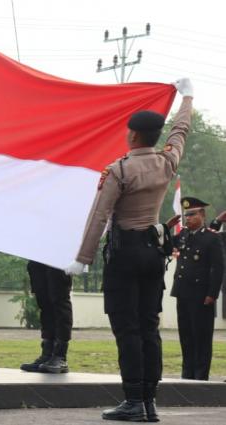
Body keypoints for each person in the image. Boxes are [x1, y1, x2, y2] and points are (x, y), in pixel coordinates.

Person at [65, 78, 193, 423]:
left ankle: (133, 399)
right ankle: (149, 402)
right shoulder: (167, 163)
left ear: (133, 135)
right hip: (153, 253)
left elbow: (99, 216)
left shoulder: (120, 170)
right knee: (149, 327)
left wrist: (83, 258)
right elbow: (180, 131)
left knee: (127, 327)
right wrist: (188, 96)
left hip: (125, 256)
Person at [170, 197, 224, 380]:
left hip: (201, 295)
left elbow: (218, 268)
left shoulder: (211, 238)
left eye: (192, 214)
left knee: (201, 337)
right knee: (186, 336)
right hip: (183, 293)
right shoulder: (184, 235)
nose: (188, 219)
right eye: (186, 215)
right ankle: (187, 374)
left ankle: (200, 376)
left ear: (202, 215)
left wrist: (212, 294)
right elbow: (166, 244)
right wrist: (167, 227)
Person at [20, 261, 72, 374]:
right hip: (39, 255)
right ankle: (47, 354)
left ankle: (60, 356)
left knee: (59, 301)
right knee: (44, 303)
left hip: (59, 256)